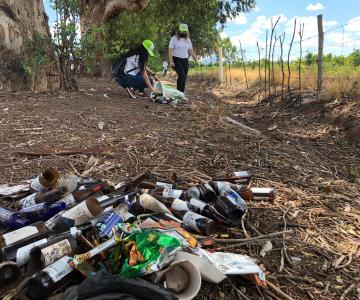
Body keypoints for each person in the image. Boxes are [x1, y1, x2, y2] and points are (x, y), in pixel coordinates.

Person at [168, 23, 198, 93]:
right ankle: (179, 92)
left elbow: (191, 50)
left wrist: (196, 59)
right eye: (182, 31)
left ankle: (181, 93)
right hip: (176, 59)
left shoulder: (188, 40)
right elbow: (170, 50)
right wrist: (171, 61)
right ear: (179, 31)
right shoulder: (174, 39)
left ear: (187, 32)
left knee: (184, 77)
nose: (184, 33)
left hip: (185, 60)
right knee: (182, 75)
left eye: (185, 31)